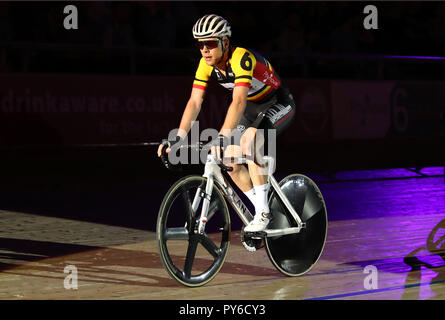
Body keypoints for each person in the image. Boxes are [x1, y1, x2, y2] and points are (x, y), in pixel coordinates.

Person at [158, 14, 295, 232]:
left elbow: (238, 101)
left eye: (210, 43)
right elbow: (194, 102)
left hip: (277, 102)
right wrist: (177, 138)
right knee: (229, 158)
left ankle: (264, 214)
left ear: (225, 42)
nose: (205, 49)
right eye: (200, 44)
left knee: (250, 141)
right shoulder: (205, 65)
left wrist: (221, 136)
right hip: (251, 110)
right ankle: (262, 206)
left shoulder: (241, 58)